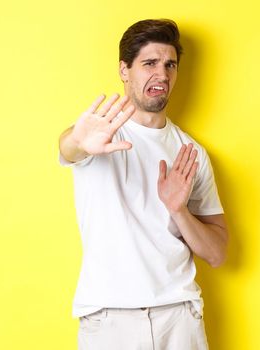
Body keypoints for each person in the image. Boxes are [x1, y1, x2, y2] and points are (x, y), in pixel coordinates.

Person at [58, 19, 228, 350]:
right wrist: (76, 139)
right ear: (125, 70)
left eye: (170, 65)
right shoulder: (99, 134)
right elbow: (68, 147)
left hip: (178, 318)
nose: (162, 75)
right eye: (149, 63)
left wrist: (179, 211)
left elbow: (217, 253)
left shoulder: (190, 152)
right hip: (108, 320)